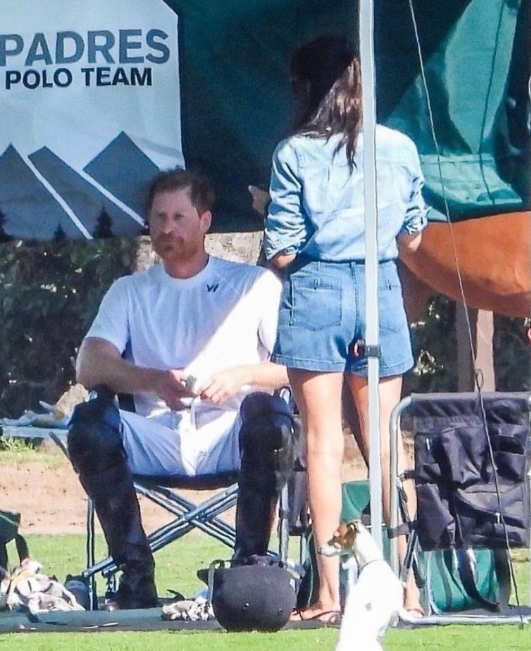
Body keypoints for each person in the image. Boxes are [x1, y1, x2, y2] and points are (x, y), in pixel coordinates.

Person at [68, 169, 297, 610]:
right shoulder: (130, 291)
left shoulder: (252, 284)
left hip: (231, 432)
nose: (167, 228)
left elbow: (296, 369)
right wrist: (153, 380)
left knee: (271, 420)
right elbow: (88, 365)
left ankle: (248, 566)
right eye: (159, 218)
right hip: (156, 431)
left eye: (178, 217)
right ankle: (135, 573)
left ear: (205, 221)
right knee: (89, 426)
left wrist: (241, 375)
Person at [263, 35, 428, 622]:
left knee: (322, 446)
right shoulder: (400, 147)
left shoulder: (294, 152)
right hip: (380, 286)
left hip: (317, 290)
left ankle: (330, 593)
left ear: (307, 89)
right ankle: (407, 588)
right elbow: (413, 238)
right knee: (386, 446)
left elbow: (282, 251)